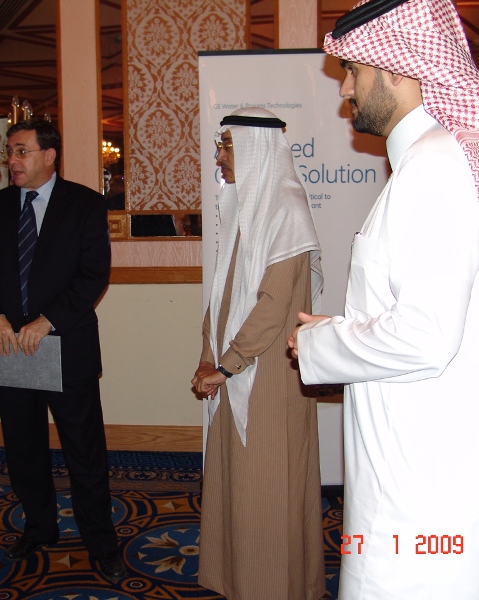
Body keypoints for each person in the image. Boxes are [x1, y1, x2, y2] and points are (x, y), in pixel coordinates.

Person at [287, 0, 479, 597]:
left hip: (430, 469)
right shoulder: (438, 160)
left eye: (353, 71)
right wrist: (342, 327)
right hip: (444, 444)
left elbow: (425, 336)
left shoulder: (434, 167)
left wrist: (320, 342)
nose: (345, 90)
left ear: (396, 67)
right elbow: (443, 310)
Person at [0, 119, 125, 582]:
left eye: (21, 151)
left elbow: (93, 274)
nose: (11, 161)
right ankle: (39, 526)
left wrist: (47, 321)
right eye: (9, 152)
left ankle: (100, 541)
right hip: (8, 345)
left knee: (84, 451)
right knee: (23, 447)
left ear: (49, 156)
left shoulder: (85, 204)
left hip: (64, 346)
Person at [192, 107, 325, 600]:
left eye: (227, 147)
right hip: (235, 366)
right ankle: (238, 581)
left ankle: (275, 587)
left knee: (267, 485)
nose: (219, 158)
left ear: (255, 149)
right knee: (237, 483)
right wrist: (209, 356)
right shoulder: (245, 209)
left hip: (268, 374)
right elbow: (223, 296)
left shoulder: (286, 211)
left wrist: (226, 365)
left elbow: (272, 307)